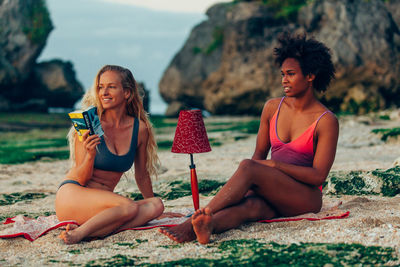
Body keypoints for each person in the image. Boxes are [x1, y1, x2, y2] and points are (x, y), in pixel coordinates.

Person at [159, 33, 339, 244]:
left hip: (305, 197)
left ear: (311, 75)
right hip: (274, 189)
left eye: (290, 74)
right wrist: (249, 186)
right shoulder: (272, 108)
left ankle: (191, 220)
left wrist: (274, 165)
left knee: (247, 167)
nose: (284, 80)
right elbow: (258, 156)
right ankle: (207, 225)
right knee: (251, 207)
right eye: (282, 74)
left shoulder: (326, 120)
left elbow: (318, 176)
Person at [56, 65, 169, 244]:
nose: (104, 92)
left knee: (157, 205)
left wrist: (151, 206)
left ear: (127, 93)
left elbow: (141, 175)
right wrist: (91, 154)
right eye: (100, 87)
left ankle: (98, 229)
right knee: (128, 207)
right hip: (74, 196)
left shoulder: (139, 129)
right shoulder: (89, 125)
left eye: (111, 87)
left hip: (106, 207)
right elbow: (81, 178)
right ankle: (81, 233)